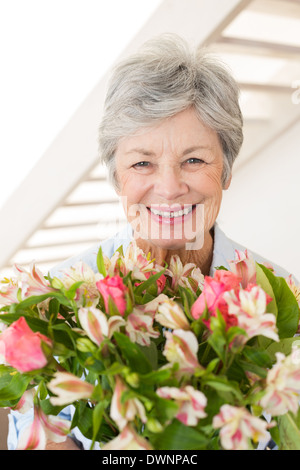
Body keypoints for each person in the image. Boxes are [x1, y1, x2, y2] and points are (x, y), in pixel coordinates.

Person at [7, 34, 293, 450]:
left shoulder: (281, 297)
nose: (169, 187)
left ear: (227, 171)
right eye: (142, 163)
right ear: (118, 178)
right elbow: (32, 434)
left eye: (193, 160)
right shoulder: (59, 296)